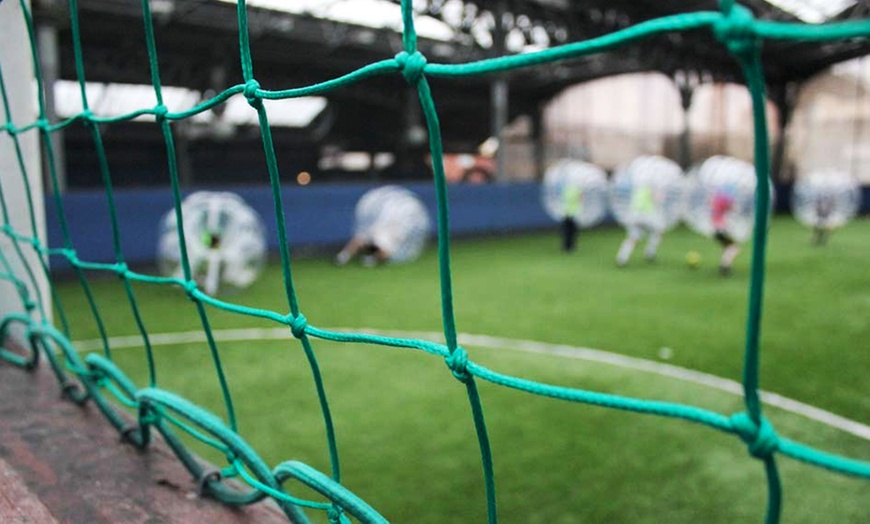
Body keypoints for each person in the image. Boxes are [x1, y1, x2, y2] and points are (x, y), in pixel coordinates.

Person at [616, 184, 663, 266]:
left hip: (633, 216)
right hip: (647, 216)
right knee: (658, 231)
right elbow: (657, 199)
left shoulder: (638, 188)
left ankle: (622, 257)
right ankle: (650, 252)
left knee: (633, 238)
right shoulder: (651, 187)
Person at [710, 188, 741, 276]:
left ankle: (725, 265)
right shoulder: (724, 199)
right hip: (721, 228)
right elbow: (733, 208)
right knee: (733, 248)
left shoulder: (714, 199)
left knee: (727, 247)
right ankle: (724, 266)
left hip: (715, 228)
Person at [560, 184, 581, 252]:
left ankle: (568, 246)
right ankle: (569, 245)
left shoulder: (565, 190)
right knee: (570, 231)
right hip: (570, 213)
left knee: (568, 231)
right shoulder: (575, 190)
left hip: (569, 213)